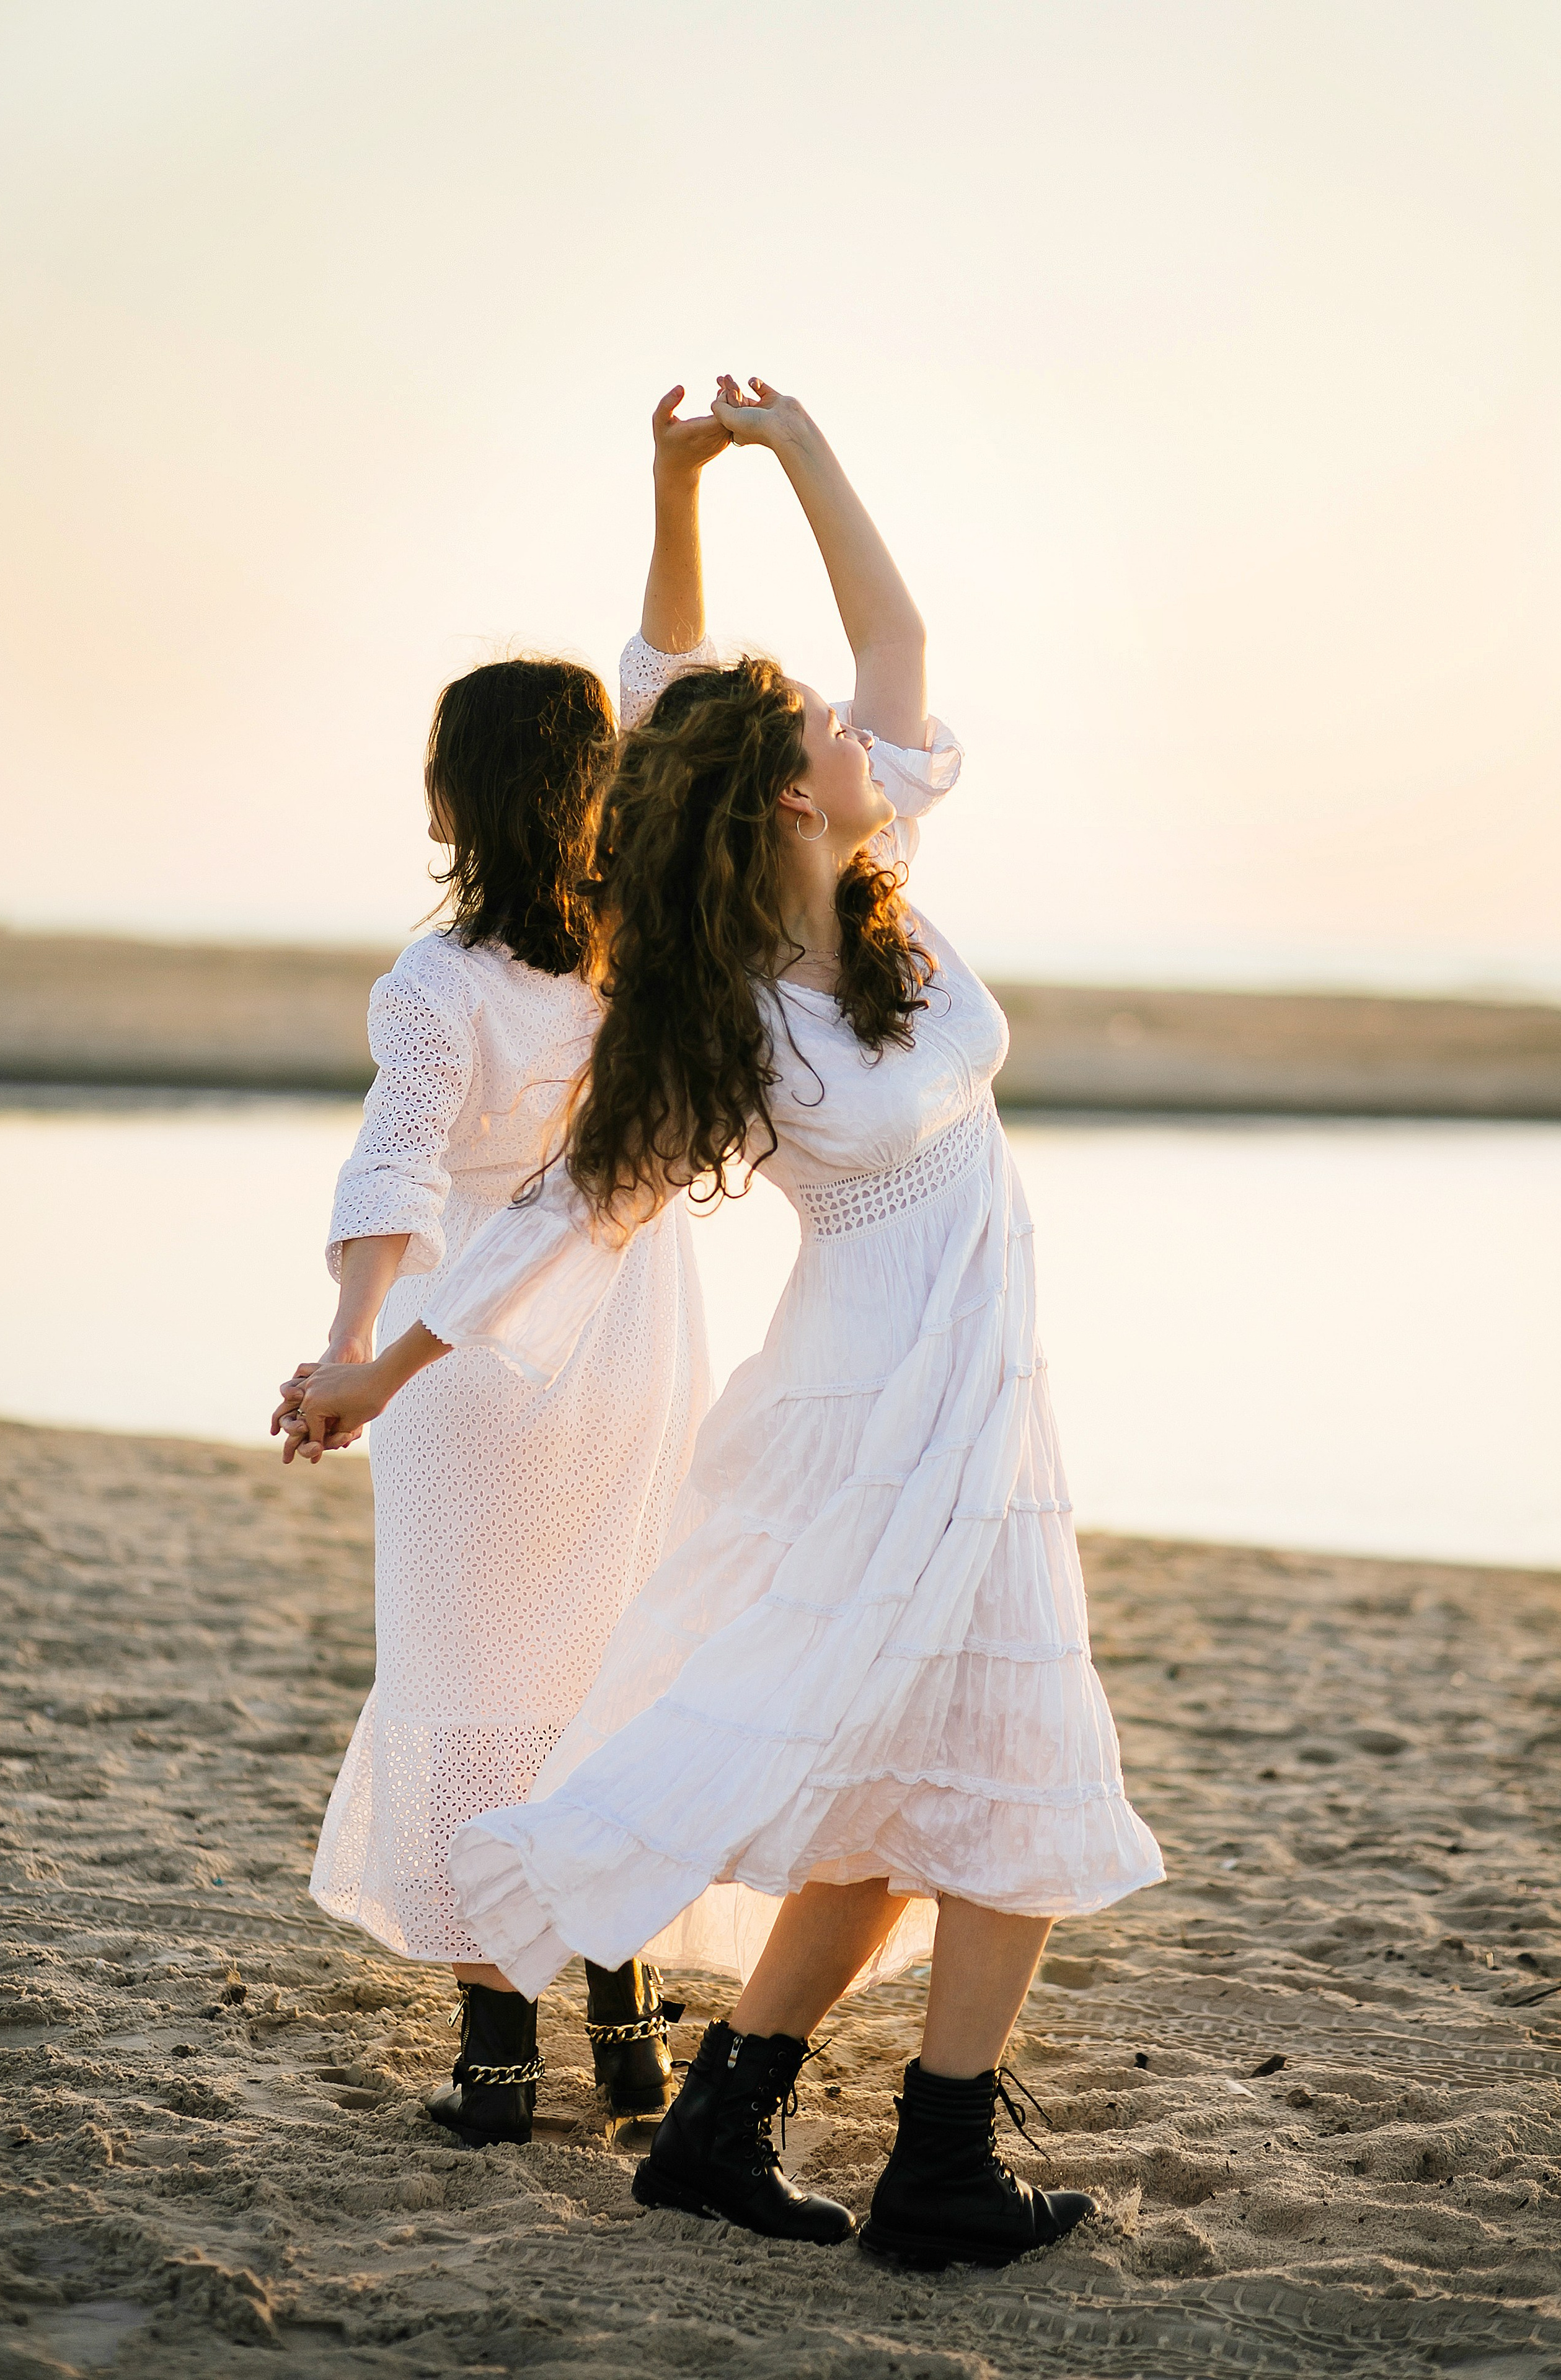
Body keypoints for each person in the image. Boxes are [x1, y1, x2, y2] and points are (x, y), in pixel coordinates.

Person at [291, 376, 1164, 2270]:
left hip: (982, 1390)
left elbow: (899, 634)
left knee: (915, 1773)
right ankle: (932, 2168)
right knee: (1000, 1777)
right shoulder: (717, 1024)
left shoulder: (891, 894)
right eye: (833, 733)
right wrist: (374, 1366)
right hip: (872, 1409)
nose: (869, 730)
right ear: (788, 785)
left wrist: (786, 450)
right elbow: (542, 1230)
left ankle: (722, 2119)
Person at [275, 388, 730, 2148]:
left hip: (476, 1365)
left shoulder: (439, 977)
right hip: (631, 1346)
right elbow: (673, 678)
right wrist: (676, 484)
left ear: (457, 795)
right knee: (611, 1660)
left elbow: (399, 1158)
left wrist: (351, 1343)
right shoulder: (640, 948)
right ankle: (617, 1996)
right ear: (599, 788)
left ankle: (497, 2038)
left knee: (476, 1676)